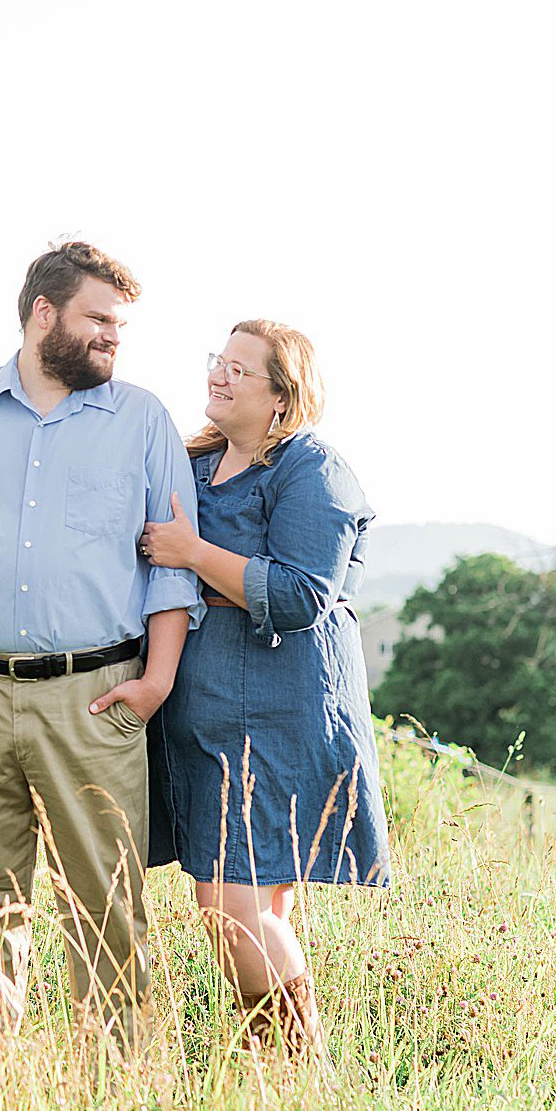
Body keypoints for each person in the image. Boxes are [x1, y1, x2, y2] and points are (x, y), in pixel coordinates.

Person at [0, 240, 202, 1055]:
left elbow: (174, 567)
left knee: (104, 899)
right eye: (99, 318)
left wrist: (156, 681)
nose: (112, 338)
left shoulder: (143, 421)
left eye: (120, 325)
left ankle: (121, 1084)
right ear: (43, 313)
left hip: (94, 695)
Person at [138, 318, 390, 1063]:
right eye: (220, 360)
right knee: (249, 901)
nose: (219, 375)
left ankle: (296, 1060)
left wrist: (190, 552)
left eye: (240, 369)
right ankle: (273, 1073)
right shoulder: (198, 458)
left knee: (231, 908)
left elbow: (301, 594)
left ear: (282, 397)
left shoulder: (312, 470)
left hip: (280, 713)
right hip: (204, 712)